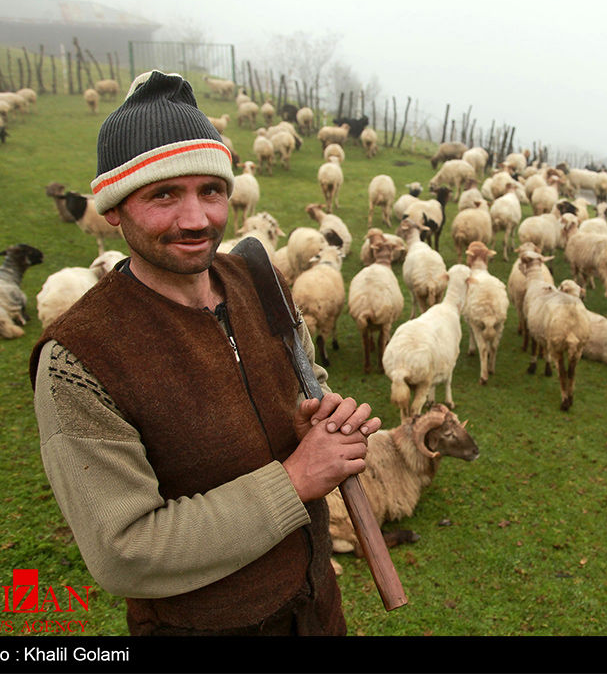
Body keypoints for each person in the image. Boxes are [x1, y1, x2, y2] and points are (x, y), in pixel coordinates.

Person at [29, 70, 380, 636]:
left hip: (316, 606)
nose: (196, 220)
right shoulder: (79, 361)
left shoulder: (258, 280)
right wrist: (295, 480)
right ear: (114, 209)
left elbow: (304, 378)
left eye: (210, 190)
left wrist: (316, 419)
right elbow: (126, 551)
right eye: (163, 194)